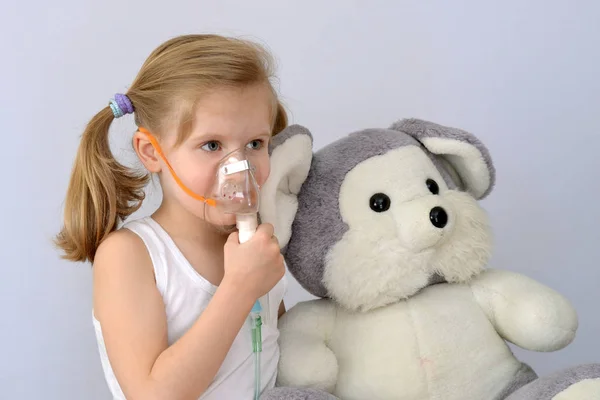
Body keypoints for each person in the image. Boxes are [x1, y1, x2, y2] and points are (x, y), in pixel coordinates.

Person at [55, 34, 289, 400]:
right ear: (152, 153)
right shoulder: (130, 256)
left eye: (255, 144)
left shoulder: (257, 243)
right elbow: (153, 394)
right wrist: (240, 287)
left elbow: (276, 349)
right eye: (212, 145)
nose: (239, 167)